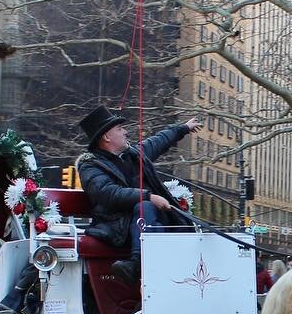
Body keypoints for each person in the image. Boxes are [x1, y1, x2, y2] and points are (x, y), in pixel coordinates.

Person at [76, 105, 202, 284]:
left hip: (147, 221)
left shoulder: (133, 154)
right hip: (119, 226)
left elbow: (157, 141)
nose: (125, 132)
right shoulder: (90, 166)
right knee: (146, 209)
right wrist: (148, 196)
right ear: (106, 137)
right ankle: (139, 267)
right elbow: (108, 193)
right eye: (119, 129)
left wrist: (182, 129)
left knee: (178, 228)